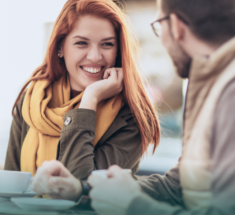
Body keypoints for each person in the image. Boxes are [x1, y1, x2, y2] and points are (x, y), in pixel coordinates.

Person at [32, 0, 235, 214]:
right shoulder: (224, 79)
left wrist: (133, 206)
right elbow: (179, 186)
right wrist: (84, 189)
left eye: (160, 27)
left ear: (177, 27)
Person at [4, 0, 160, 186]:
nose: (95, 56)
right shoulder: (33, 101)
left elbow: (80, 184)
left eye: (107, 44)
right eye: (81, 43)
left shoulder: (131, 115)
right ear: (60, 47)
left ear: (118, 50)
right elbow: (10, 184)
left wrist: (90, 99)